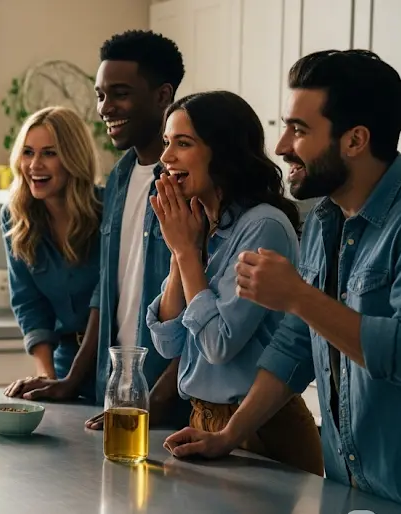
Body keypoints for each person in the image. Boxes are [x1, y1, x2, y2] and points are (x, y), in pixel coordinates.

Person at [164, 49, 401, 502]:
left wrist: (296, 296)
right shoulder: (324, 222)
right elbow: (295, 347)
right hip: (346, 487)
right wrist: (230, 435)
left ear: (354, 140)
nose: (281, 146)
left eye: (300, 130)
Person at [4, 30, 191, 430]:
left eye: (119, 93)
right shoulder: (122, 177)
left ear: (163, 96)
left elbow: (201, 308)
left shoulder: (186, 183)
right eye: (101, 95)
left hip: (170, 401)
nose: (106, 108)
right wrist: (72, 378)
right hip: (113, 391)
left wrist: (156, 398)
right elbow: (106, 293)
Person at [144, 90, 323, 475]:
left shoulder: (262, 225)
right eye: (166, 142)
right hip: (203, 420)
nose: (165, 157)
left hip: (263, 430)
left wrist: (188, 255)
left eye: (183, 143)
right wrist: (182, 253)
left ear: (221, 151)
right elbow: (168, 342)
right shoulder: (200, 225)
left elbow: (217, 344)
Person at [0, 106, 102, 399]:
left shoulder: (109, 212)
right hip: (64, 357)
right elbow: (28, 302)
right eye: (28, 152)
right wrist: (47, 376)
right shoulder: (15, 217)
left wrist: (69, 380)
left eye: (49, 153)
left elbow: (108, 299)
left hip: (111, 360)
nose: (34, 165)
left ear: (73, 158)